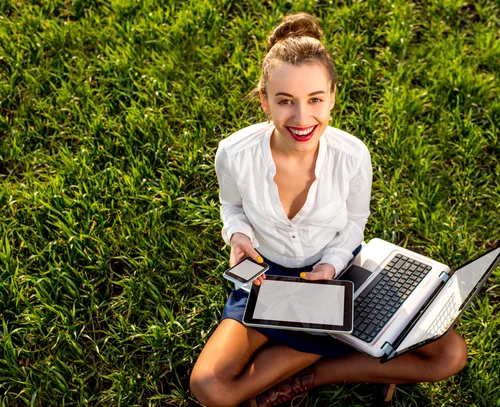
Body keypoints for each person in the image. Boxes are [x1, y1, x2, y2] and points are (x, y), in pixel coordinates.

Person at [190, 12, 468, 407]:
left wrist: (332, 266)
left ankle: (311, 373)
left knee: (449, 353)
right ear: (264, 100)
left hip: (340, 279)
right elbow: (231, 206)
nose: (302, 119)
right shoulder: (234, 153)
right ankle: (348, 351)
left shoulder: (352, 155)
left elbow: (355, 223)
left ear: (333, 95)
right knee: (209, 387)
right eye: (285, 101)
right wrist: (238, 236)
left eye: (315, 100)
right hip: (269, 284)